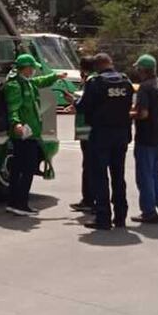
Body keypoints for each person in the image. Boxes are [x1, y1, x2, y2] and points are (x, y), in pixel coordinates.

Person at [76, 53, 134, 230]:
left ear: (96, 67)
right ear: (111, 63)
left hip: (101, 135)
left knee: (100, 176)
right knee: (118, 176)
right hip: (121, 134)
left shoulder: (96, 83)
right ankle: (121, 217)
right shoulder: (126, 81)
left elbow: (83, 107)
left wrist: (75, 102)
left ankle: (103, 218)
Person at [4, 53, 65, 216]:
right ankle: (21, 203)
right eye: (32, 68)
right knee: (26, 169)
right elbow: (13, 107)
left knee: (18, 169)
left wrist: (55, 76)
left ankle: (13, 202)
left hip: (30, 133)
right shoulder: (15, 86)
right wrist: (16, 122)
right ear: (26, 68)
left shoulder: (27, 83)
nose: (33, 71)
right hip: (24, 135)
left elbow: (41, 81)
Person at [130, 54, 158, 223]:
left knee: (145, 176)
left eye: (138, 69)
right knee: (155, 173)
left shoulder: (145, 87)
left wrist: (125, 114)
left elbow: (142, 113)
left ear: (142, 70)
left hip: (146, 137)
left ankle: (148, 211)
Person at [66, 56, 97, 213]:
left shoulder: (91, 83)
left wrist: (73, 102)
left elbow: (85, 105)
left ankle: (89, 200)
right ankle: (91, 199)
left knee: (89, 166)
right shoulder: (94, 82)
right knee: (92, 166)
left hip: (88, 131)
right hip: (91, 131)